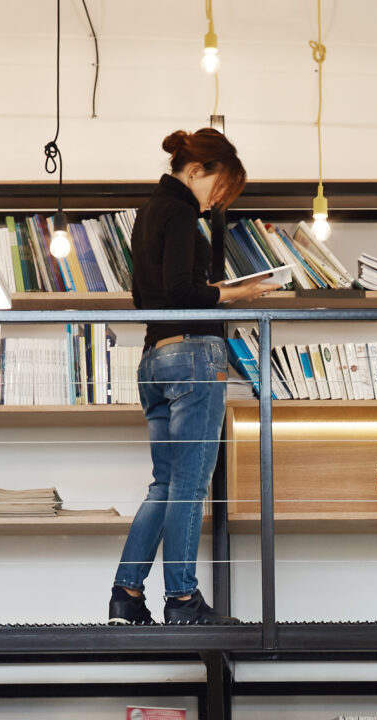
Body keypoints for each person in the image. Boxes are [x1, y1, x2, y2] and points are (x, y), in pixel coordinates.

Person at [109, 127, 281, 627]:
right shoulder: (181, 210)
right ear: (197, 170)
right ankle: (182, 600)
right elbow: (185, 291)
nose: (215, 203)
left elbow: (155, 296)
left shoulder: (146, 214)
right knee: (188, 486)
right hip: (192, 359)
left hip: (153, 362)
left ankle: (127, 594)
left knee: (164, 486)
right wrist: (238, 293)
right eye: (219, 189)